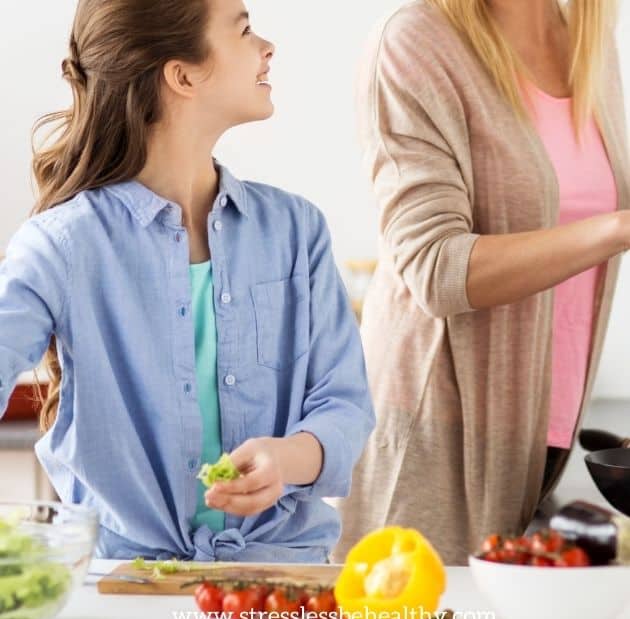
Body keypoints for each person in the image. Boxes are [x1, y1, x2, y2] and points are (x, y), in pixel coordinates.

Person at [0, 0, 375, 562]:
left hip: (279, 580)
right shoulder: (61, 244)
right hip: (125, 583)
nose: (267, 47)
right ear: (182, 75)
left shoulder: (297, 231)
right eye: (245, 30)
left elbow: (343, 404)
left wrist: (290, 459)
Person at [334, 0, 630, 565]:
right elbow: (435, 267)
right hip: (435, 435)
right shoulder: (413, 43)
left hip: (546, 435)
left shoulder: (591, 44)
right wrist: (616, 230)